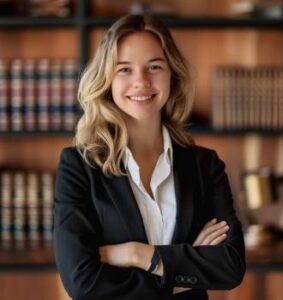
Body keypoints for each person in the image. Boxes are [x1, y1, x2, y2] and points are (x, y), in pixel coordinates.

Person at [54, 14, 245, 300]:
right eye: (124, 70)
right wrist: (185, 273)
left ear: (172, 74)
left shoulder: (205, 165)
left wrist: (138, 255)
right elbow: (83, 282)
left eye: (154, 66)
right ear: (106, 79)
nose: (141, 81)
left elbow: (230, 267)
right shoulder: (79, 166)